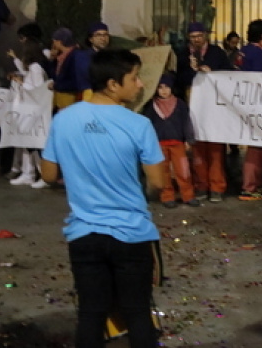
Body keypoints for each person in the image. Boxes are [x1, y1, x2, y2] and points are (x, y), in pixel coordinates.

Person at [40, 49, 166, 348]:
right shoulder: (139, 124)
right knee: (137, 312)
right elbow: (158, 182)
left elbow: (48, 174)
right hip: (132, 233)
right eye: (134, 78)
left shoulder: (64, 119)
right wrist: (144, 196)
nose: (140, 85)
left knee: (90, 314)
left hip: (84, 234)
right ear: (112, 84)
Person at [176, 22, 232, 203]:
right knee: (197, 148)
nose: (196, 40)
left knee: (216, 149)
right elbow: (179, 80)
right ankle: (201, 185)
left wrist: (212, 72)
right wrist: (192, 71)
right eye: (193, 37)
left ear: (205, 36)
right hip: (194, 107)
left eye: (199, 36)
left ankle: (217, 187)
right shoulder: (183, 55)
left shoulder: (217, 53)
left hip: (215, 108)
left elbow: (229, 75)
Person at [142, 73, 199, 208]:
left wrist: (189, 139)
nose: (164, 90)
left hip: (178, 143)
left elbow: (186, 122)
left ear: (172, 88)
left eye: (167, 87)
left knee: (183, 170)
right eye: (160, 87)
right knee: (164, 172)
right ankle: (167, 197)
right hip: (159, 144)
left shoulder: (180, 104)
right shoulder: (151, 106)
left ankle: (188, 195)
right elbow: (146, 125)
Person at [237, 19, 262, 201]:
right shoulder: (260, 55)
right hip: (258, 106)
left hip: (243, 104)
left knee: (255, 147)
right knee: (257, 149)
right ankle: (250, 186)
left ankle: (256, 184)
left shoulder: (242, 52)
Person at [7, 40, 51, 188]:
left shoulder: (35, 68)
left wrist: (21, 83)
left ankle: (43, 175)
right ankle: (28, 173)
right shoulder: (34, 67)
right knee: (26, 143)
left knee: (35, 144)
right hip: (29, 109)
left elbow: (37, 88)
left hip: (35, 110)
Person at [74, 22, 111, 100]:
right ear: (91, 39)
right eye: (98, 35)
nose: (103, 38)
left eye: (105, 35)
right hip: (89, 94)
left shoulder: (111, 55)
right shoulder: (83, 56)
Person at [49, 27, 80, 111]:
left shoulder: (75, 56)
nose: (53, 44)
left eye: (54, 41)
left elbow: (75, 81)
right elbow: (55, 76)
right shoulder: (61, 56)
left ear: (59, 42)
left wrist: (56, 85)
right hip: (60, 102)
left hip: (70, 102)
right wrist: (53, 60)